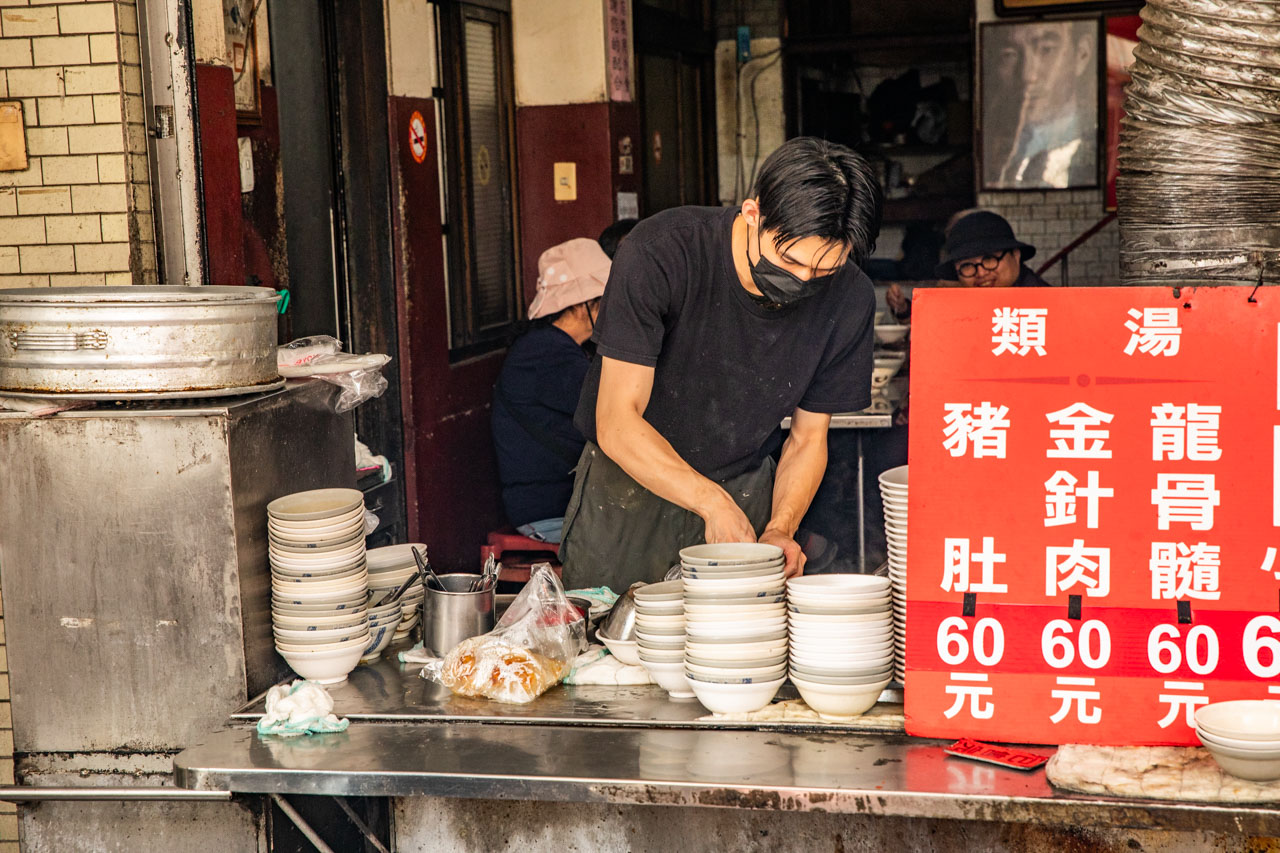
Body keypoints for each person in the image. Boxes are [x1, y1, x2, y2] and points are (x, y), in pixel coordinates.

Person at [559, 137, 883, 590]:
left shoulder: (849, 299)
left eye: (823, 271)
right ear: (753, 214)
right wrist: (709, 501)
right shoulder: (662, 252)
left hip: (746, 489)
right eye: (788, 261)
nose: (802, 282)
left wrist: (781, 528)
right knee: (610, 645)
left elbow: (808, 439)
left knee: (739, 649)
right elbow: (616, 419)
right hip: (627, 492)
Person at [491, 238, 611, 544]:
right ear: (582, 305)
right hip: (551, 511)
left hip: (564, 503)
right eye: (606, 299)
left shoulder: (556, 348)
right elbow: (610, 408)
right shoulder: (547, 354)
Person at [885, 210, 1046, 318]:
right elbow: (936, 323)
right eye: (967, 266)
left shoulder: (1044, 307)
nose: (981, 273)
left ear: (1016, 256)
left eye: (989, 259)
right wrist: (903, 308)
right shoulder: (970, 297)